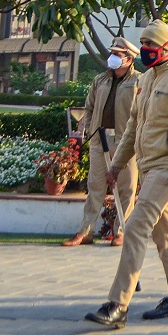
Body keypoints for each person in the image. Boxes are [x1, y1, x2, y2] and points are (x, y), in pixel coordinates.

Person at [84, 20, 168, 328]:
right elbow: (133, 127)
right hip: (150, 165)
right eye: (143, 44)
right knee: (166, 235)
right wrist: (115, 165)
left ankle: (118, 303)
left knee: (135, 227)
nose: (145, 50)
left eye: (150, 46)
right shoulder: (148, 78)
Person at [64, 38, 142, 247]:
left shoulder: (139, 81)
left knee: (126, 188)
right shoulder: (100, 80)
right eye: (113, 53)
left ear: (129, 58)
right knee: (95, 185)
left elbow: (145, 113)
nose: (113, 58)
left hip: (126, 141)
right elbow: (88, 108)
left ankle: (121, 231)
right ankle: (84, 231)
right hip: (100, 139)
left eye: (118, 54)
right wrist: (89, 129)